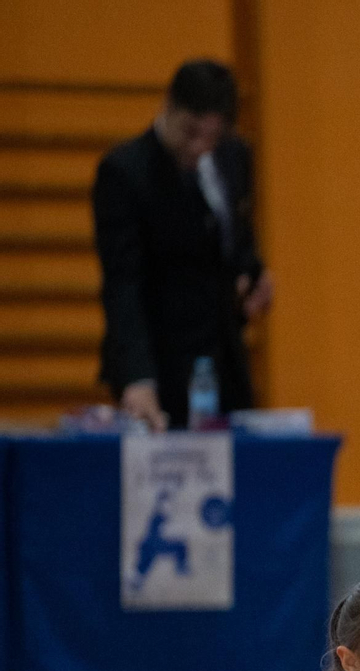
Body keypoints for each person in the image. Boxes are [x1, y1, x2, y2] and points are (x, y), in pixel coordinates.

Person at [92, 59, 274, 431]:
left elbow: (235, 241)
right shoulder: (124, 173)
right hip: (161, 365)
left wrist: (253, 278)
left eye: (212, 137)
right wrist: (138, 378)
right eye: (190, 133)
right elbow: (123, 284)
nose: (200, 148)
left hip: (224, 363)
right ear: (168, 105)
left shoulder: (233, 155)